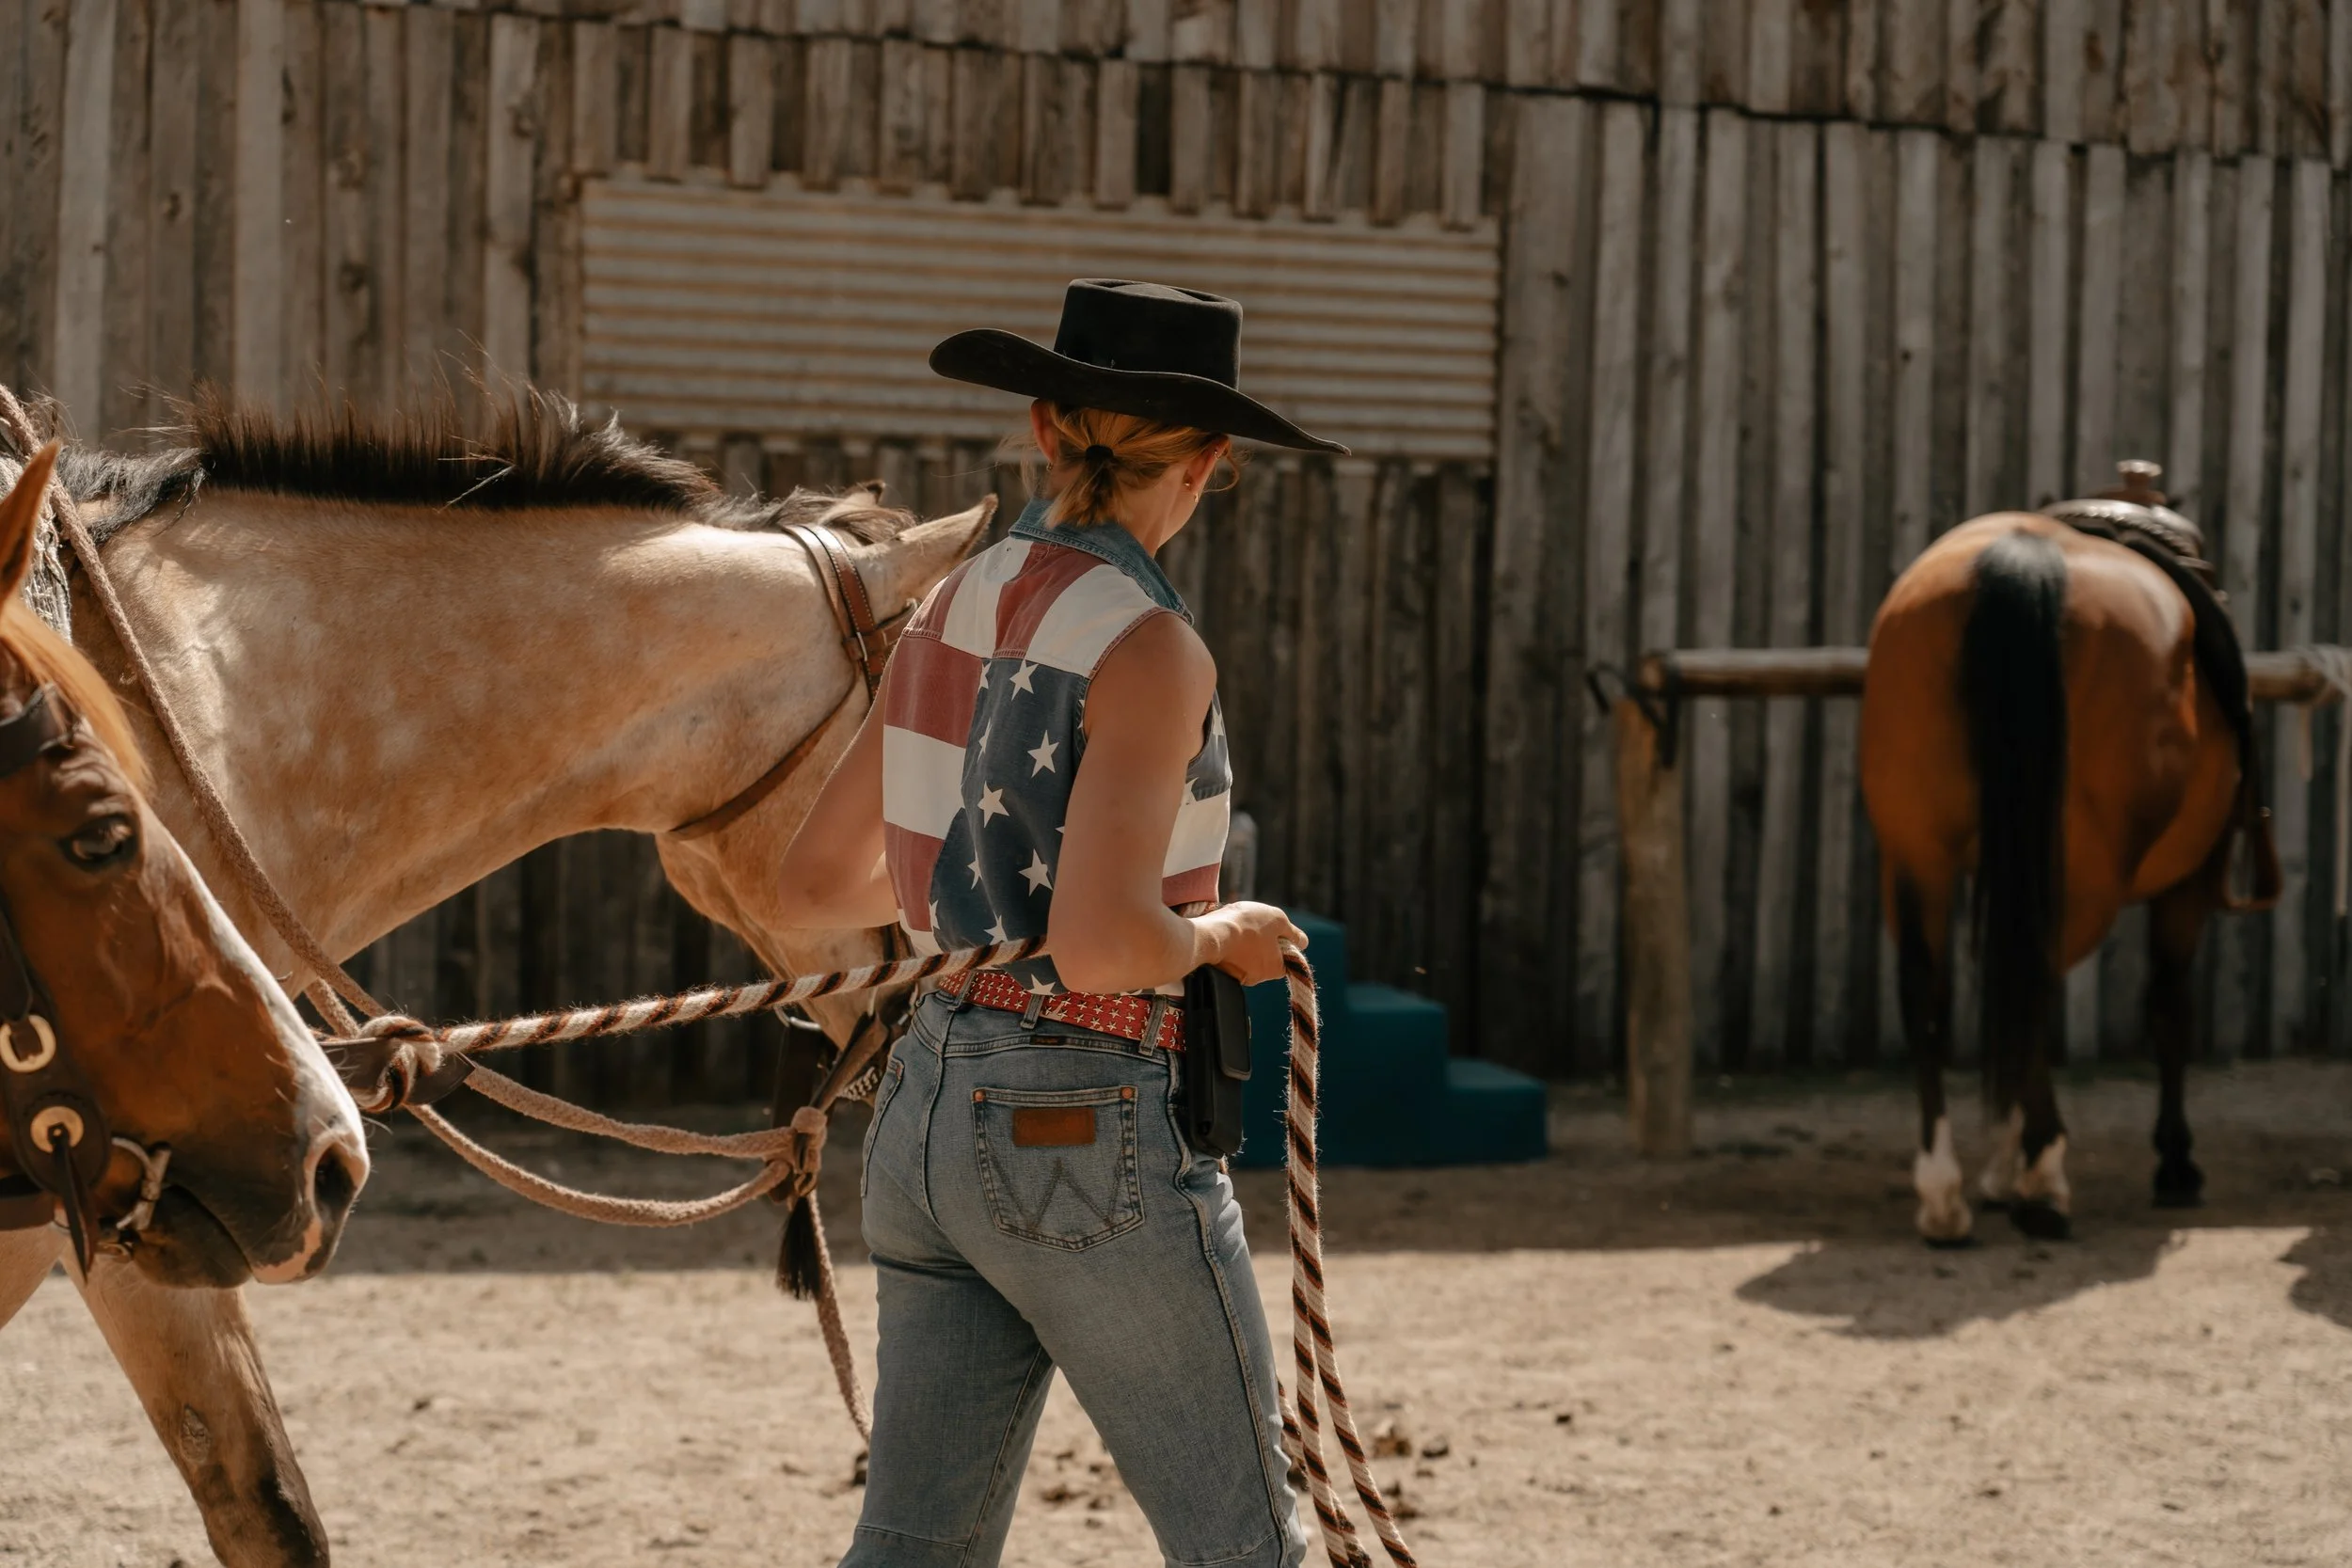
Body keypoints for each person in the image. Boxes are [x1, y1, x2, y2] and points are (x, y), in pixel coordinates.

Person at [778, 278, 1347, 1568]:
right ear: (1211, 464)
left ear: (1043, 426)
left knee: (915, 1547)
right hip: (1084, 1119)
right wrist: (1224, 938)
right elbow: (1106, 949)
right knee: (1246, 1543)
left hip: (926, 1108)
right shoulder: (1152, 646)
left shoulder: (949, 604)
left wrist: (976, 893)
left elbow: (814, 887)